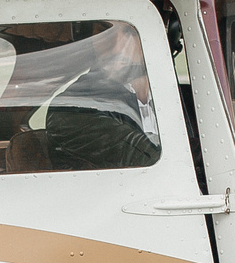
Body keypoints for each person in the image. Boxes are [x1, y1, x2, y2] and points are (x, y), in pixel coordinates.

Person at [43, 23, 163, 172]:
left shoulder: (179, 97)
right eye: (104, 31)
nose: (118, 47)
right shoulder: (73, 108)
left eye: (130, 32)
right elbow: (153, 159)